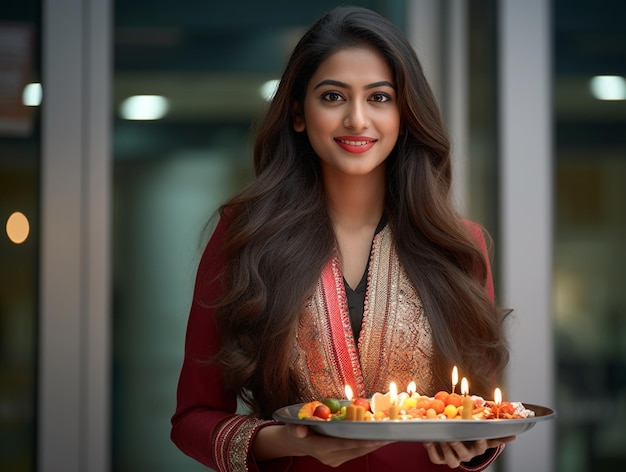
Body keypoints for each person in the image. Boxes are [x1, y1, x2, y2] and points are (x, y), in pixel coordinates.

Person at [171, 5, 513, 471]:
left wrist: (474, 447)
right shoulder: (247, 235)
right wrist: (291, 442)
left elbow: (483, 411)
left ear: (405, 114)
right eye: (333, 97)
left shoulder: (458, 246)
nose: (356, 119)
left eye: (379, 98)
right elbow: (192, 419)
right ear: (297, 112)